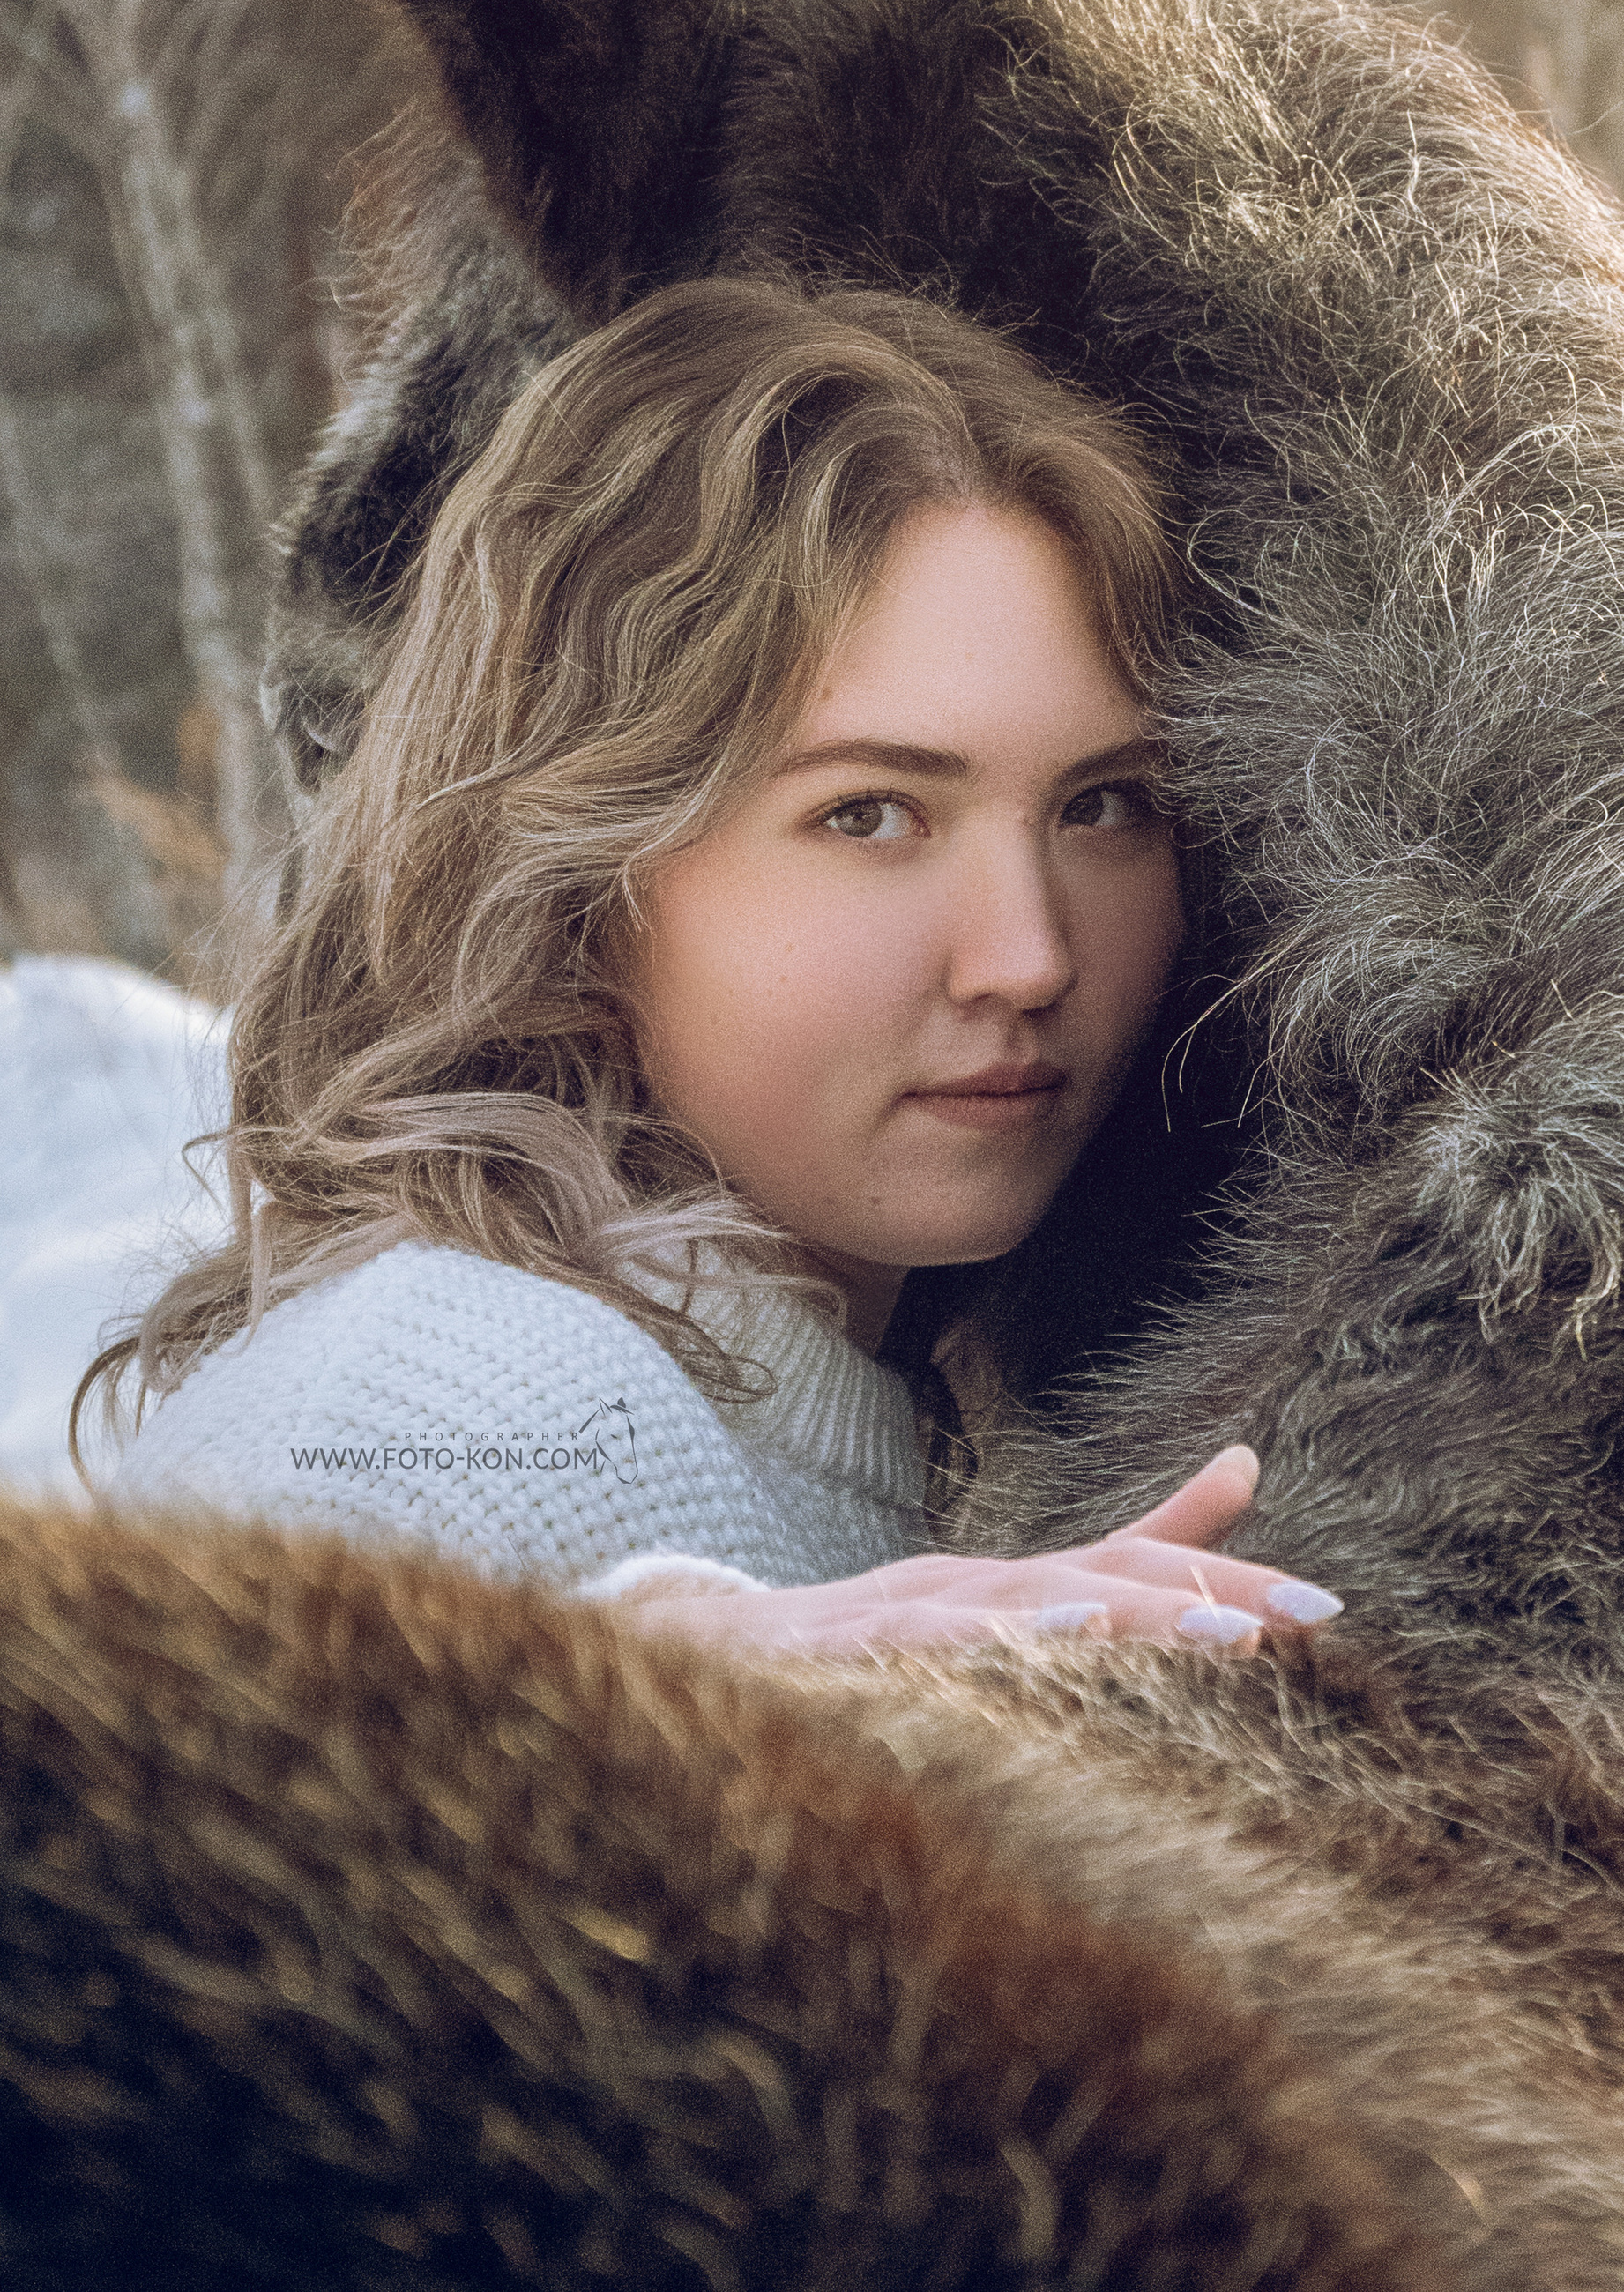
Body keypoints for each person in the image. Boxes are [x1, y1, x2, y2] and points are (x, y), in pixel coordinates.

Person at [89, 279, 1343, 1658]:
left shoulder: (805, 1385)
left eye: (1101, 804)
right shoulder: (457, 1383)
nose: (1029, 957)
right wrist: (612, 1690)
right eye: (869, 813)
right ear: (572, 876)